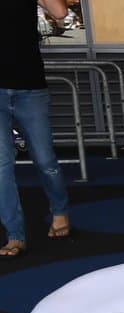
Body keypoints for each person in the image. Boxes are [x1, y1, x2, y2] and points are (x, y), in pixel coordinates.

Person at [0, 0, 72, 259]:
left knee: (44, 159)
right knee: (1, 166)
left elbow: (60, 12)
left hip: (30, 88)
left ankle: (60, 211)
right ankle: (15, 235)